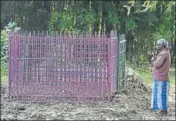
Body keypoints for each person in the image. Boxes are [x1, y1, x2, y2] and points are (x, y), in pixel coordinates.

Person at [150, 39, 171, 115]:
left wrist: (153, 60)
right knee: (157, 92)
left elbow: (157, 64)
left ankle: (164, 110)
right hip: (159, 77)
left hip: (162, 77)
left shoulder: (163, 54)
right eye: (157, 44)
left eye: (159, 44)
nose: (157, 45)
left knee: (162, 94)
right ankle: (157, 108)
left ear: (163, 45)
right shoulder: (164, 53)